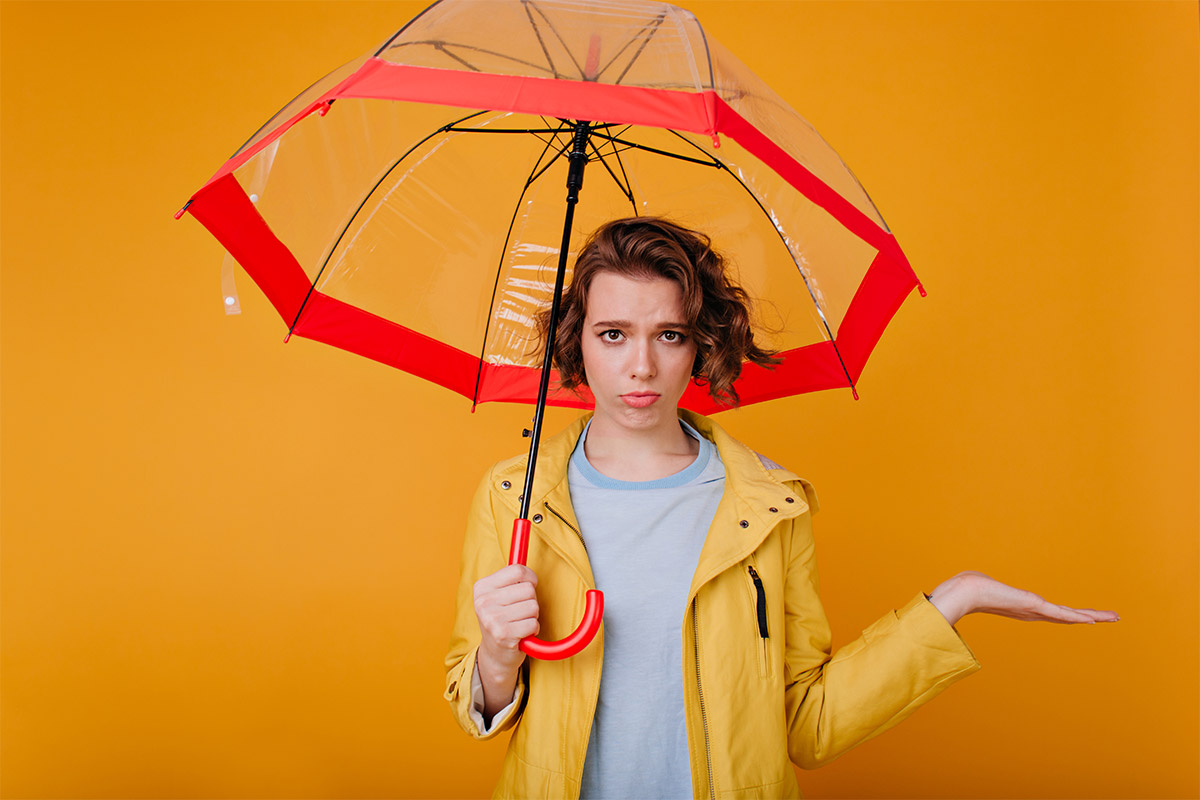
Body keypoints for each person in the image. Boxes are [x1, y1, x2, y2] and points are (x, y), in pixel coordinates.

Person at [444, 217, 1119, 800]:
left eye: (670, 335)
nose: (641, 366)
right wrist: (498, 657)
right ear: (577, 340)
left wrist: (952, 602)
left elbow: (808, 723)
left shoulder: (768, 505)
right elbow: (476, 702)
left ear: (701, 344)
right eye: (614, 333)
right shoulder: (515, 497)